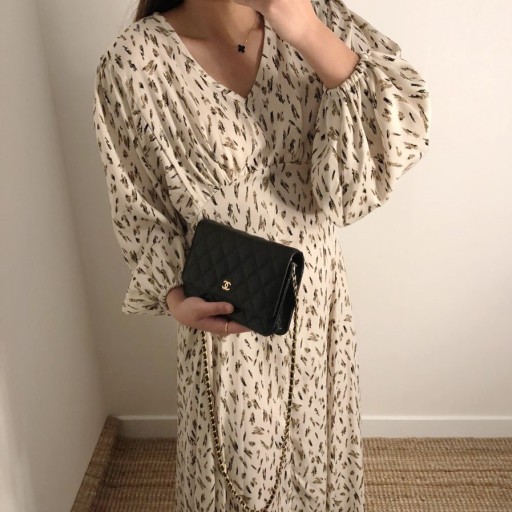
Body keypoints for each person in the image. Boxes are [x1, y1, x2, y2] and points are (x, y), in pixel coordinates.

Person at [92, 0, 431, 509]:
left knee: (318, 455)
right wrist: (174, 299)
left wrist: (308, 32)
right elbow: (138, 203)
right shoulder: (134, 62)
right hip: (227, 310)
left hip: (317, 301)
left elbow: (399, 127)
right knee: (240, 474)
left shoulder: (319, 15)